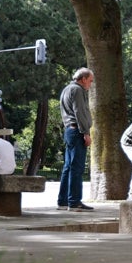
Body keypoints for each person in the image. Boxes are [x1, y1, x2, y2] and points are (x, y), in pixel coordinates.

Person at [57, 68, 94, 212]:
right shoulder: (78, 90)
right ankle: (74, 201)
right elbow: (80, 111)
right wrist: (85, 132)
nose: (90, 84)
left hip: (69, 130)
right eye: (90, 81)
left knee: (68, 167)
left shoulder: (67, 89)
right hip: (77, 131)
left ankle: (63, 201)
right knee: (76, 167)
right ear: (83, 79)